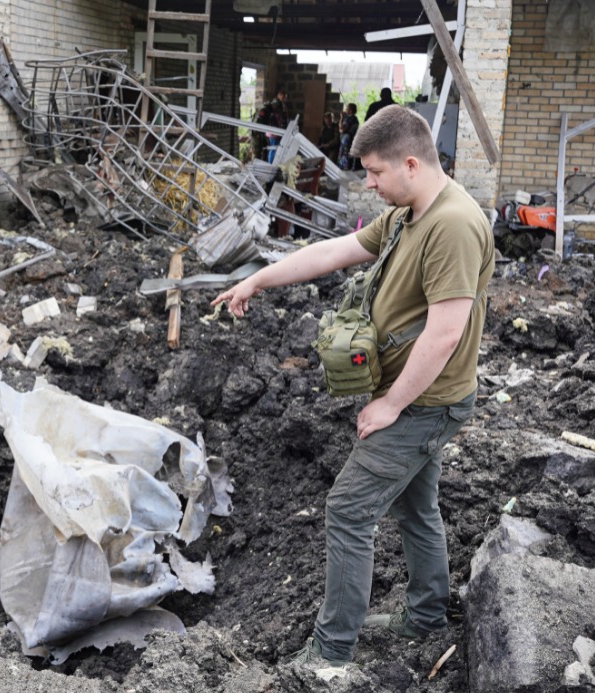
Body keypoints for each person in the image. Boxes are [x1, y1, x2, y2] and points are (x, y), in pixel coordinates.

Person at [211, 105, 493, 671]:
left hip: (428, 402)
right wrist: (259, 278)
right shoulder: (412, 212)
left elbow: (444, 334)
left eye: (374, 173)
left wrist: (390, 404)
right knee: (416, 506)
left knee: (347, 510)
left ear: (410, 164)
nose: (368, 183)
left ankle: (330, 653)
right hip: (419, 397)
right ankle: (427, 618)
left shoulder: (454, 225)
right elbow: (335, 251)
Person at [338, 102, 359, 170]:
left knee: (344, 155)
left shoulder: (349, 119)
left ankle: (344, 167)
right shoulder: (355, 119)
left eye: (347, 108)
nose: (345, 109)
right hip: (351, 139)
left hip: (346, 140)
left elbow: (341, 129)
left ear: (350, 110)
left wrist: (341, 118)